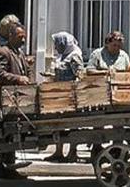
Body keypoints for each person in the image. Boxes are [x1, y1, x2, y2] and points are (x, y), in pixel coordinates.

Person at [0, 24, 31, 179]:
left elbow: (24, 71)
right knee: (6, 134)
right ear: (11, 36)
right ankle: (3, 169)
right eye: (20, 37)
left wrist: (27, 69)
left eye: (24, 37)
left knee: (13, 133)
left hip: (18, 99)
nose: (23, 40)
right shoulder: (3, 52)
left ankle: (9, 167)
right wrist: (18, 78)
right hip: (7, 98)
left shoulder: (19, 53)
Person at [44, 32, 83, 163]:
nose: (55, 47)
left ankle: (72, 152)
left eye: (57, 44)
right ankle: (58, 151)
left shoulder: (74, 55)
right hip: (59, 95)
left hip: (70, 96)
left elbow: (80, 75)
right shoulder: (63, 55)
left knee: (73, 124)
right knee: (58, 124)